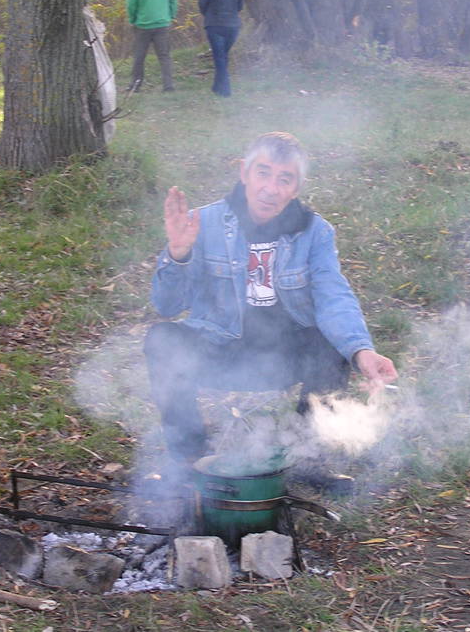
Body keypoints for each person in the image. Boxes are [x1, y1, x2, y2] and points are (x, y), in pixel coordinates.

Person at [144, 132, 398, 483]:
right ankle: (190, 463)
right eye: (262, 173)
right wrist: (178, 253)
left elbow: (333, 296)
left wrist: (361, 351)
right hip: (219, 349)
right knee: (162, 338)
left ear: (296, 187)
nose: (271, 188)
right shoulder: (203, 224)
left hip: (283, 356)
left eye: (284, 179)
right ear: (244, 173)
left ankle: (307, 460)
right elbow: (166, 305)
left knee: (331, 344)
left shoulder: (315, 233)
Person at [126, 0, 177, 92]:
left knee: (139, 56)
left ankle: (136, 85)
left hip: (143, 25)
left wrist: (132, 19)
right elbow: (173, 1)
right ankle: (168, 85)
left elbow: (131, 4)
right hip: (162, 24)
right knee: (164, 56)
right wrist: (171, 15)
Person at [197, 0, 243, 97]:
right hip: (233, 26)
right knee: (222, 56)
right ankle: (217, 87)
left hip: (215, 25)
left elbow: (202, 4)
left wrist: (209, 15)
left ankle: (225, 91)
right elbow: (240, 6)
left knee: (220, 57)